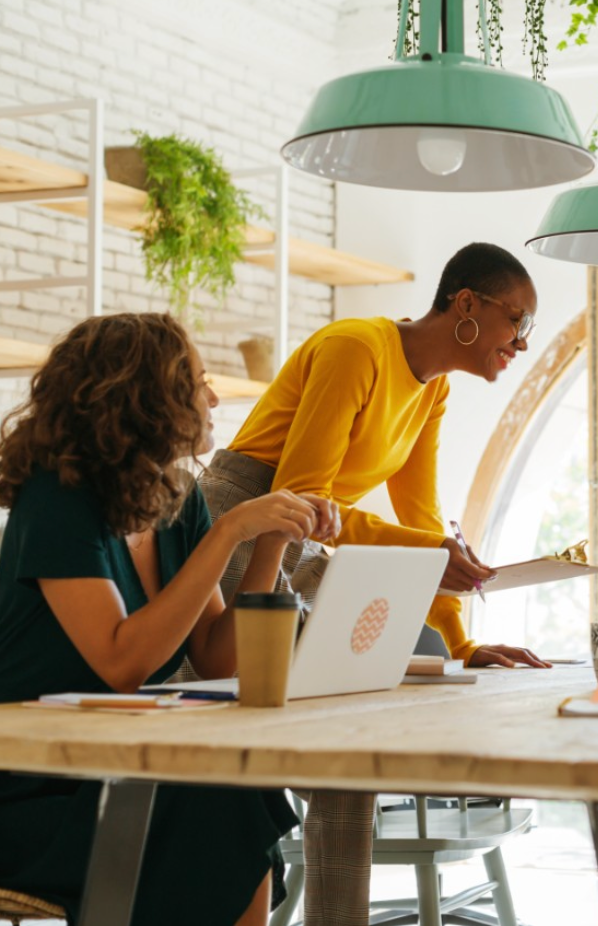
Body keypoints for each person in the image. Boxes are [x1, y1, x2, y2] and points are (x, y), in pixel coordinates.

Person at [195, 241, 550, 925]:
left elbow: (420, 518)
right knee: (333, 745)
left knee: (347, 746)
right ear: (466, 305)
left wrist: (460, 641)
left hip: (301, 534)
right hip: (242, 524)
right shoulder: (357, 347)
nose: (524, 343)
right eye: (519, 322)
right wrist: (424, 550)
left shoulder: (433, 388)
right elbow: (298, 495)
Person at [0, 313, 339, 926]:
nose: (215, 397)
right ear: (149, 397)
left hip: (119, 764)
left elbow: (218, 655)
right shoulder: (58, 498)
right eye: (199, 382)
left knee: (238, 792)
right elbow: (122, 663)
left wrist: (270, 543)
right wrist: (229, 532)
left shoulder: (176, 500)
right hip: (26, 786)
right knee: (217, 803)